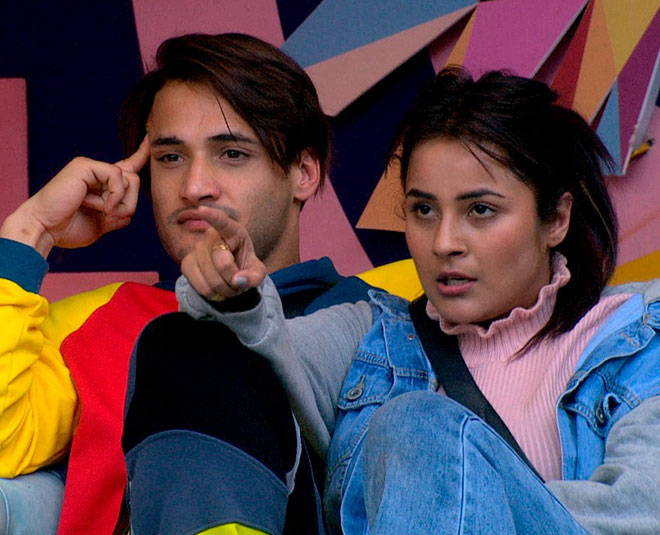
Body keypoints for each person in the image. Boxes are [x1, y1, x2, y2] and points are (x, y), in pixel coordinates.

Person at [176, 66, 660, 534]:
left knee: (417, 424)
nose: (444, 242)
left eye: (480, 210)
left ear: (556, 219)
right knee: (173, 348)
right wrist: (229, 291)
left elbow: (639, 514)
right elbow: (245, 356)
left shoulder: (636, 336)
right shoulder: (370, 337)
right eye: (424, 210)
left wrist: (464, 490)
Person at [0, 33, 371, 534]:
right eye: (171, 158)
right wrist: (31, 231)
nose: (194, 187)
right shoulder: (108, 319)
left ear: (303, 172)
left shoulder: (374, 323)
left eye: (231, 154)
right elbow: (5, 443)